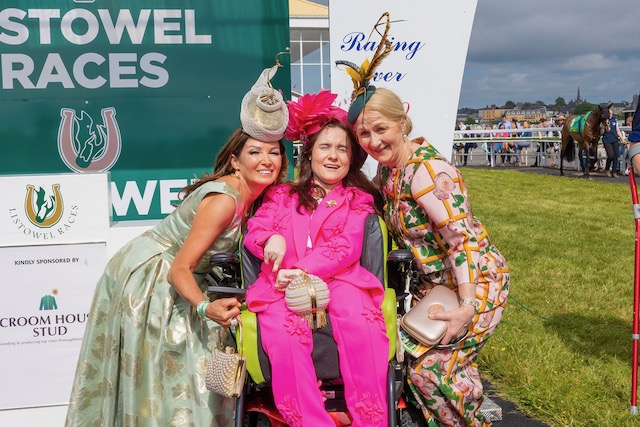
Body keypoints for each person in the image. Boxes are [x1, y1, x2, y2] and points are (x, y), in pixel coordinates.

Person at [65, 66, 290, 427]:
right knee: (172, 383)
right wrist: (205, 310)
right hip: (152, 278)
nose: (266, 160)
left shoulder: (258, 198)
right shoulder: (225, 201)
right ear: (235, 160)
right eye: (255, 152)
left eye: (274, 153)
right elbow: (179, 268)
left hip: (181, 279)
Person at [349, 87, 509, 425]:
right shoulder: (389, 171)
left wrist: (467, 308)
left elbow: (461, 241)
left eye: (381, 129)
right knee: (407, 365)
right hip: (436, 289)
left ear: (402, 120)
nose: (373, 141)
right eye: (364, 133)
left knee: (431, 372)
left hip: (475, 284)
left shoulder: (428, 171)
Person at [244, 90, 389, 427]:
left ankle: (370, 420)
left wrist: (298, 270)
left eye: (342, 149)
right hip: (279, 286)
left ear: (352, 158)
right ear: (309, 153)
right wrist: (271, 238)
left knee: (359, 320)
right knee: (284, 328)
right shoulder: (281, 195)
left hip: (341, 280)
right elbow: (255, 230)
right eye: (325, 147)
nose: (334, 156)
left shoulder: (358, 200)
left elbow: (346, 246)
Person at [602, 109, 624, 178]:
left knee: (616, 155)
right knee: (610, 155)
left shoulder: (615, 120)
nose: (610, 115)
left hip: (614, 139)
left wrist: (622, 139)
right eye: (609, 114)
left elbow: (617, 130)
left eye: (611, 114)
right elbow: (601, 132)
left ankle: (614, 172)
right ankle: (607, 169)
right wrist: (604, 126)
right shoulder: (603, 121)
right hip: (607, 140)